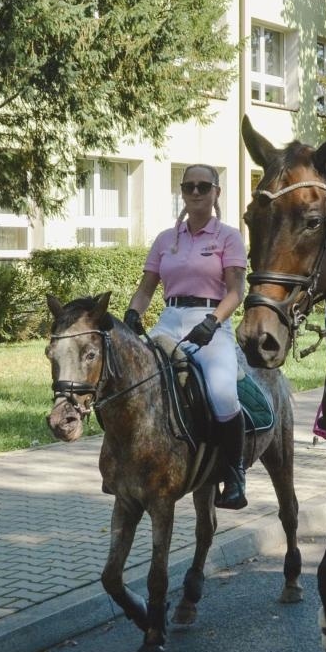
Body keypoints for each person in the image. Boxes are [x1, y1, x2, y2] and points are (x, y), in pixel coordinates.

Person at [124, 165, 250, 509]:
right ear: (181, 191)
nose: (195, 192)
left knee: (222, 393)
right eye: (189, 186)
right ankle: (125, 462)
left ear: (216, 192)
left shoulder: (228, 237)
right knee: (134, 380)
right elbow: (146, 289)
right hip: (169, 320)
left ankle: (234, 476)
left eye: (203, 186)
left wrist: (213, 321)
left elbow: (236, 291)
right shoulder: (166, 239)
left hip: (211, 322)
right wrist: (133, 313)